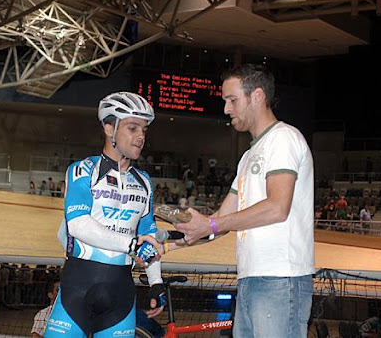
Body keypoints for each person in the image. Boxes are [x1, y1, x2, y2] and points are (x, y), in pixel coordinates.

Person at [176, 64, 315, 338]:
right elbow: (222, 219)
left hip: (280, 278)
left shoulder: (283, 139)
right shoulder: (248, 157)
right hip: (251, 278)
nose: (227, 109)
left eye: (232, 100)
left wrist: (213, 224)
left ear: (257, 96)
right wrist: (176, 241)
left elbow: (277, 208)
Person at [44, 92, 165, 338]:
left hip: (120, 292)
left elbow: (148, 236)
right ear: (110, 128)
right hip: (77, 288)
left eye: (144, 130)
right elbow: (78, 225)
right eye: (132, 128)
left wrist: (156, 282)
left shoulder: (144, 182)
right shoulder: (82, 170)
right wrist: (131, 244)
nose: (141, 136)